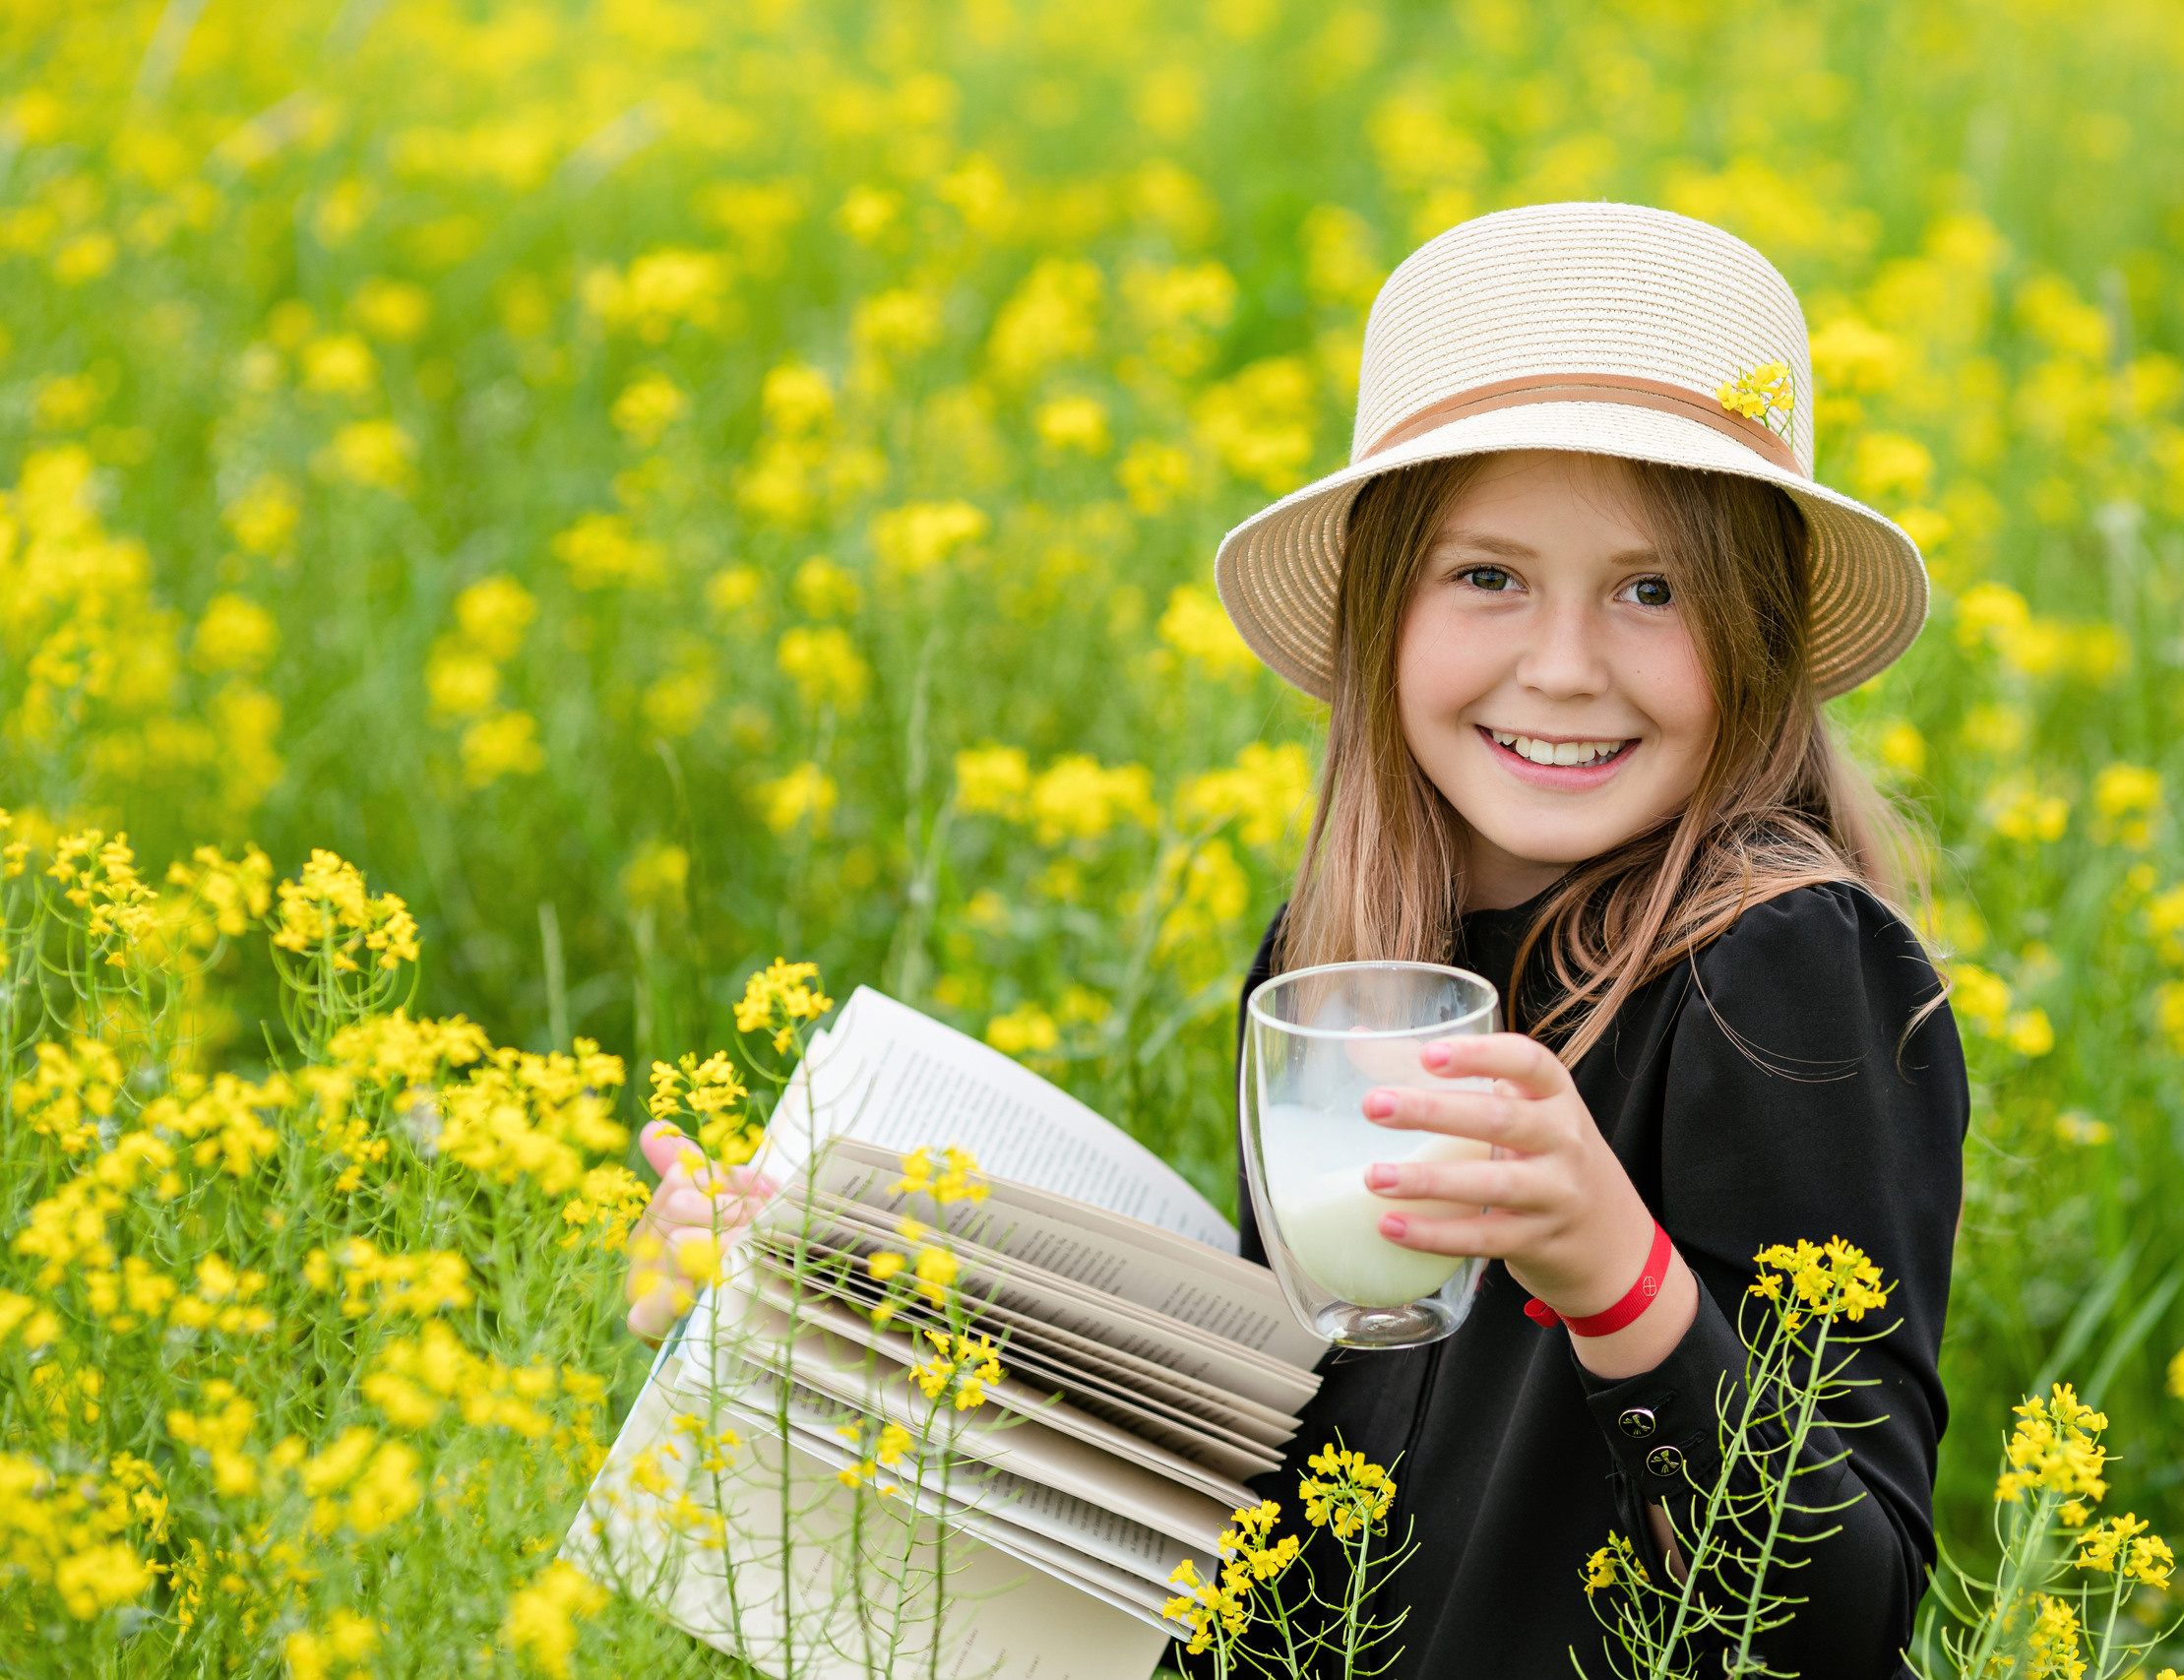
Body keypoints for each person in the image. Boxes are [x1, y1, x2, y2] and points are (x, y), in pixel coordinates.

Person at [629, 202, 1966, 1678]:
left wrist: (1616, 1276)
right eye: (1488, 577)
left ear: (1760, 636)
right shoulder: (1335, 963)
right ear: (1379, 613)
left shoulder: (1783, 964)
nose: (1568, 665)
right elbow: (1291, 1491)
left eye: (1656, 591)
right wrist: (813, 1305)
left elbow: (1844, 1616)